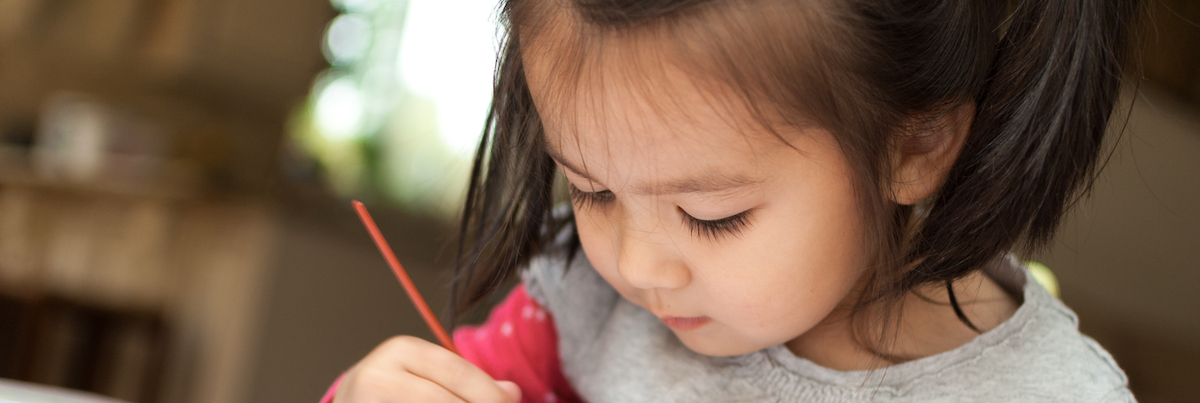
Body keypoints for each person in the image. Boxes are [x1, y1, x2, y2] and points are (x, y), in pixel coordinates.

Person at [324, 0, 1141, 401]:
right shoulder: (580, 312)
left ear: (912, 147)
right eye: (591, 189)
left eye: (712, 214)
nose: (636, 264)